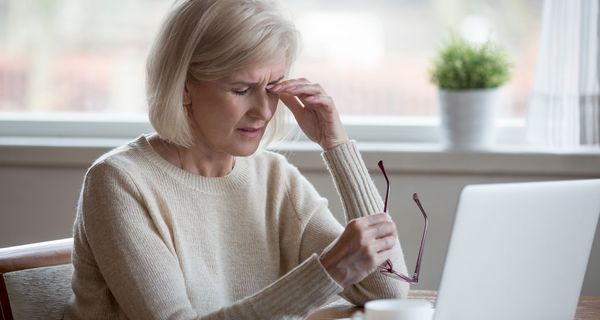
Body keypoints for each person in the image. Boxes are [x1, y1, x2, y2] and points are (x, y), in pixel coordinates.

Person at [63, 0, 409, 319]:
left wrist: (336, 144)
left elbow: (388, 290)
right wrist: (328, 273)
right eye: (241, 90)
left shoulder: (274, 177)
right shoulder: (118, 182)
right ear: (183, 86)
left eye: (273, 88)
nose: (263, 111)